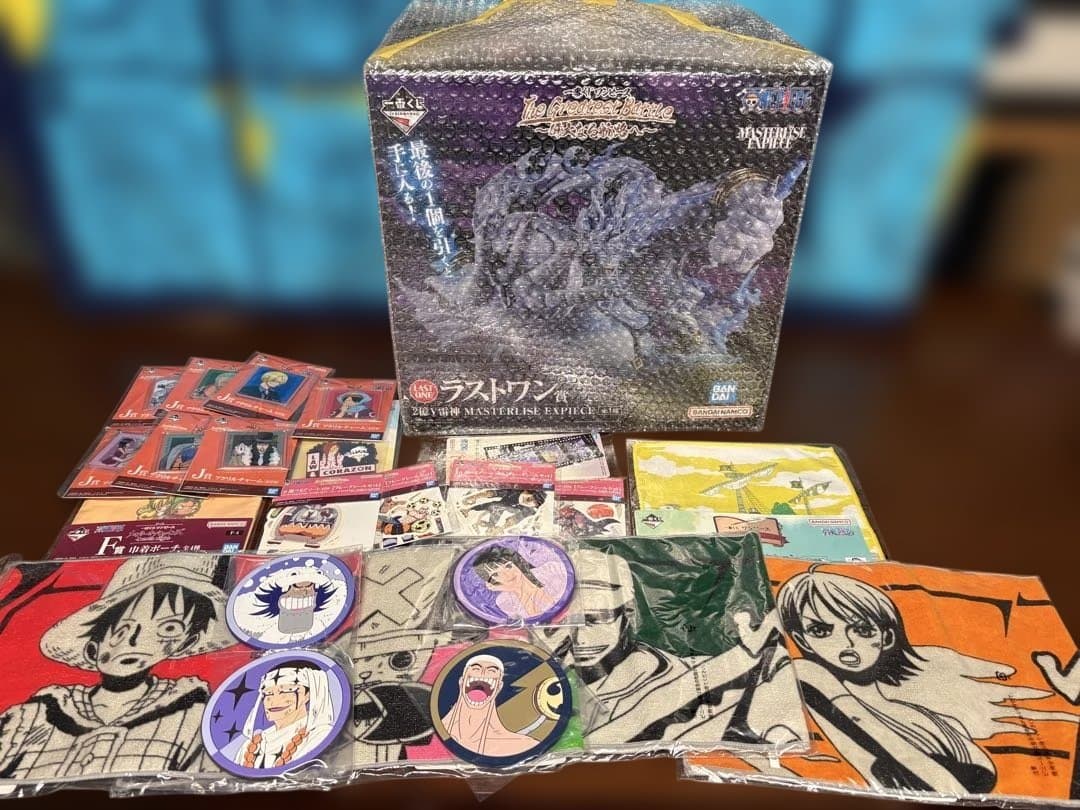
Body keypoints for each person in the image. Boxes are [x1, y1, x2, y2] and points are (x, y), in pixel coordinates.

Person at [0, 556, 231, 780]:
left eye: (168, 629)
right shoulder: (34, 715)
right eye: (121, 630)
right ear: (93, 645)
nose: (133, 641)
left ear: (187, 642)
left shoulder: (194, 714)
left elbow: (209, 778)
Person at [776, 568, 996, 794]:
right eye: (821, 630)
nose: (846, 642)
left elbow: (978, 777)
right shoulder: (809, 674)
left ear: (887, 637)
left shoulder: (933, 719)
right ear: (802, 640)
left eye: (862, 629)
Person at [235, 660, 336, 769]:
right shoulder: (250, 746)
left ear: (308, 695)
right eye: (268, 693)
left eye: (286, 691)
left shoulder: (320, 735)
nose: (273, 701)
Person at [441, 654, 535, 757]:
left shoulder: (522, 744)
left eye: (492, 671)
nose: (483, 672)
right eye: (476, 668)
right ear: (461, 681)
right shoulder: (438, 731)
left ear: (499, 687)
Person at [471, 545, 562, 621]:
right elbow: (538, 620)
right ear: (492, 582)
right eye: (496, 574)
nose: (507, 575)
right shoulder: (504, 601)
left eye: (508, 566)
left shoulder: (551, 570)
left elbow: (553, 608)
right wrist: (515, 588)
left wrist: (515, 587)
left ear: (518, 563)